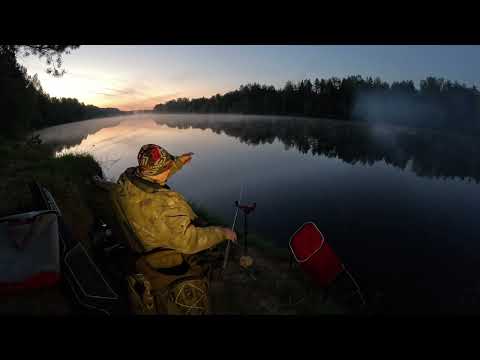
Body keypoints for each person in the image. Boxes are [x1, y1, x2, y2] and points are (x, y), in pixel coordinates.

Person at [107, 144, 237, 314]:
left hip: (141, 242)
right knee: (205, 251)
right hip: (164, 253)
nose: (169, 170)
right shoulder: (164, 204)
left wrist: (177, 162)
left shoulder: (127, 180)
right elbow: (188, 242)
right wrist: (222, 233)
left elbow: (155, 175)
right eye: (168, 167)